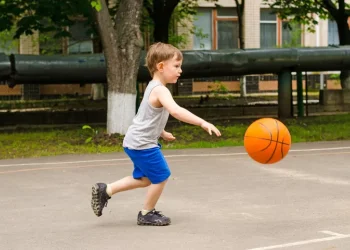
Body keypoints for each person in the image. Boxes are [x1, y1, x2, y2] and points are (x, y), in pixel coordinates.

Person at [91, 42, 221, 226]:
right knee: (161, 176)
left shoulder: (153, 87)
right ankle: (146, 213)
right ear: (161, 66)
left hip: (136, 141)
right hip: (142, 144)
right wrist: (202, 122)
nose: (180, 70)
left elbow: (148, 117)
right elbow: (175, 111)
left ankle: (106, 190)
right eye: (176, 66)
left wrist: (162, 132)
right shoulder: (160, 90)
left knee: (144, 179)